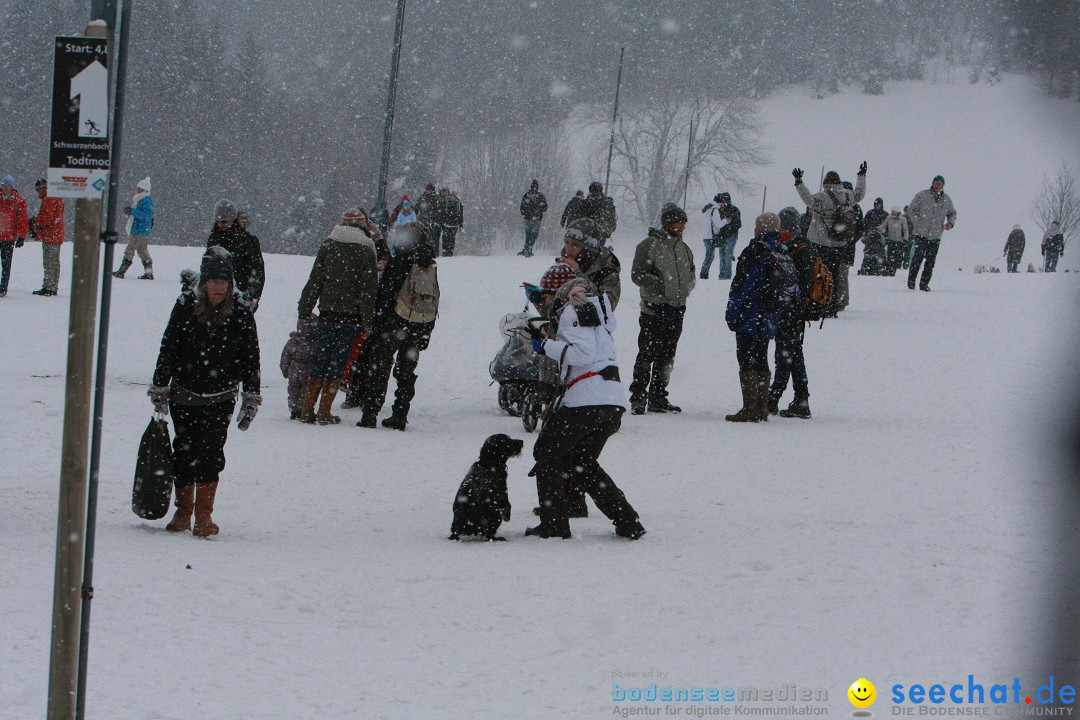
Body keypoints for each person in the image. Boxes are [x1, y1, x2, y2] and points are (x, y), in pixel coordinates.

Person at [524, 268, 645, 541]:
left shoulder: (573, 311)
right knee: (582, 461)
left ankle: (554, 524)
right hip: (612, 400)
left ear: (563, 293)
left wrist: (545, 346)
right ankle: (627, 520)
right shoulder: (600, 313)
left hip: (586, 400)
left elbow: (582, 354)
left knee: (547, 454)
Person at [150, 247, 261, 537]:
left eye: (225, 282)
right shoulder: (186, 304)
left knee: (212, 453)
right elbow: (169, 345)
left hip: (221, 396)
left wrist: (251, 396)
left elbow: (251, 356)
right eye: (214, 281)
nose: (220, 287)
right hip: (184, 393)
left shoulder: (240, 310)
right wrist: (160, 385)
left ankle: (203, 515)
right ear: (204, 282)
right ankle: (183, 510)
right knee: (184, 451)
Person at [296, 208, 380, 425]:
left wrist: (304, 309)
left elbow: (315, 279)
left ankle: (306, 410)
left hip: (327, 314)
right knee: (338, 362)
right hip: (350, 318)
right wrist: (368, 320)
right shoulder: (366, 249)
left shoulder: (329, 244)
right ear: (363, 225)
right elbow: (368, 289)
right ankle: (324, 412)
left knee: (320, 358)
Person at [357, 223, 439, 431]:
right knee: (406, 372)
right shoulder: (429, 265)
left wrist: (377, 323)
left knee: (379, 367)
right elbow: (434, 298)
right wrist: (426, 331)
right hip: (418, 326)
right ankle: (400, 414)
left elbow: (385, 295)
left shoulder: (400, 261)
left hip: (393, 324)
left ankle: (370, 413)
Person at [724, 213, 793, 423]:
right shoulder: (781, 250)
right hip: (770, 315)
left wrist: (733, 313)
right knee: (762, 356)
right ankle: (762, 406)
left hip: (751, 313)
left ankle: (750, 407)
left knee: (746, 357)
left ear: (760, 229)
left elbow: (743, 286)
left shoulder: (754, 251)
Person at [628, 203, 696, 415]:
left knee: (667, 356)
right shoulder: (649, 245)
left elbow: (691, 273)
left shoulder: (685, 249)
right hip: (653, 310)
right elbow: (637, 274)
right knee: (647, 353)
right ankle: (638, 397)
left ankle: (658, 396)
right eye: (678, 222)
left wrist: (686, 287)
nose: (682, 226)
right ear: (668, 223)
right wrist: (662, 287)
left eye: (684, 222)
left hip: (677, 310)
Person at [794, 162, 866, 314]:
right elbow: (860, 193)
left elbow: (809, 200)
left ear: (825, 183)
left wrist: (799, 183)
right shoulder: (847, 195)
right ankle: (832, 304)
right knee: (835, 275)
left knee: (819, 273)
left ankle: (820, 302)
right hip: (840, 243)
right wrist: (861, 176)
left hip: (820, 242)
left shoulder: (822, 197)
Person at [768, 208, 814, 419]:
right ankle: (801, 399)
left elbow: (803, 283)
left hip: (791, 310)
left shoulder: (797, 248)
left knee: (786, 354)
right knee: (794, 354)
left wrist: (795, 306)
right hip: (794, 309)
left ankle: (773, 398)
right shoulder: (798, 245)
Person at [207, 198, 266, 310]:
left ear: (232, 219)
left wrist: (253, 296)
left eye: (224, 221)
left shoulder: (248, 241)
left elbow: (257, 271)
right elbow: (208, 268)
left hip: (241, 295)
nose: (221, 224)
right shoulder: (213, 239)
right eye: (218, 221)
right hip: (217, 296)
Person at [907, 175, 956, 291]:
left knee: (930, 261)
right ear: (932, 183)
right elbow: (911, 210)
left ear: (943, 186)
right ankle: (911, 282)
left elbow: (952, 213)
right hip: (921, 234)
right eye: (936, 183)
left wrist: (950, 223)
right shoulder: (922, 195)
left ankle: (924, 284)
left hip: (935, 235)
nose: (938, 185)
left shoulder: (947, 200)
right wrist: (918, 222)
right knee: (917, 259)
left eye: (940, 183)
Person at [560, 217, 622, 308]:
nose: (569, 248)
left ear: (588, 250)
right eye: (567, 242)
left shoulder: (607, 270)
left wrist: (577, 273)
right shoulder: (566, 261)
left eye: (575, 245)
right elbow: (552, 309)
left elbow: (605, 306)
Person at [113, 176, 155, 279]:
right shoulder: (140, 199)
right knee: (143, 252)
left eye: (140, 188)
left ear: (145, 190)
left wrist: (132, 211)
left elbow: (146, 215)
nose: (138, 190)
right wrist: (129, 211)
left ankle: (121, 271)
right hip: (140, 230)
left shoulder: (145, 200)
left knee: (129, 250)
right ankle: (148, 273)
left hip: (139, 230)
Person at [30, 179, 64, 296]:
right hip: (56, 234)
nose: (38, 193)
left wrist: (36, 221)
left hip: (50, 234)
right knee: (54, 261)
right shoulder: (56, 196)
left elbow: (47, 217)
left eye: (38, 190)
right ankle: (53, 286)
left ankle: (48, 287)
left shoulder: (49, 198)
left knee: (49, 261)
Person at [280, 317, 319, 420]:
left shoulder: (294, 341)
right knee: (301, 391)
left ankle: (296, 409)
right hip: (305, 369)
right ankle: (298, 410)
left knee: (296, 390)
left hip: (296, 369)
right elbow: (286, 356)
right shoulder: (315, 342)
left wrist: (284, 368)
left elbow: (285, 356)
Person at [700, 192, 741, 279]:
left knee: (725, 256)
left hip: (728, 236)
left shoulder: (731, 210)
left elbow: (737, 224)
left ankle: (724, 275)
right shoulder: (717, 209)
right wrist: (726, 222)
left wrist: (727, 227)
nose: (724, 203)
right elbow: (718, 223)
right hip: (721, 236)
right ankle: (722, 275)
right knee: (722, 256)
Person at [0, 175, 29, 298]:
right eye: (3, 186)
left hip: (8, 238)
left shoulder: (19, 200)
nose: (4, 188)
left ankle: (3, 288)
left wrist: (21, 236)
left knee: (6, 265)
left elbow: (22, 219)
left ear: (12, 187)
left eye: (7, 186)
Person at [858, 197, 888, 276]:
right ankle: (867, 265)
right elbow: (864, 224)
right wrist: (864, 233)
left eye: (879, 204)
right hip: (870, 235)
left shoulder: (885, 214)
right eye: (877, 204)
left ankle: (879, 265)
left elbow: (887, 226)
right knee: (868, 251)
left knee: (880, 251)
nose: (878, 206)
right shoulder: (870, 213)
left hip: (881, 236)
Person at [518, 179, 548, 257]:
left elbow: (522, 207)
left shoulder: (527, 195)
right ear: (537, 187)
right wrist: (539, 210)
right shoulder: (540, 196)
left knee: (528, 234)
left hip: (528, 218)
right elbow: (545, 208)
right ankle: (529, 249)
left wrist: (525, 215)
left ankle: (527, 248)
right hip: (537, 218)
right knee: (534, 234)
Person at [880, 206, 910, 276]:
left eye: (894, 211)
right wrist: (877, 229)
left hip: (899, 241)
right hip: (890, 240)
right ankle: (889, 268)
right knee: (890, 255)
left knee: (898, 256)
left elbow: (906, 230)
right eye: (892, 211)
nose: (893, 212)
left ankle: (895, 269)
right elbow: (883, 226)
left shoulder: (903, 219)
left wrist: (905, 239)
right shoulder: (888, 218)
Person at [435, 187, 463, 257]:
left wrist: (461, 224)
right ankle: (445, 252)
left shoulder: (459, 204)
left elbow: (461, 215)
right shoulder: (446, 203)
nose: (453, 197)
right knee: (445, 238)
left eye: (454, 196)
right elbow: (442, 213)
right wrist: (441, 222)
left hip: (454, 225)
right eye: (451, 195)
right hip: (446, 224)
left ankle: (450, 253)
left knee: (452, 239)